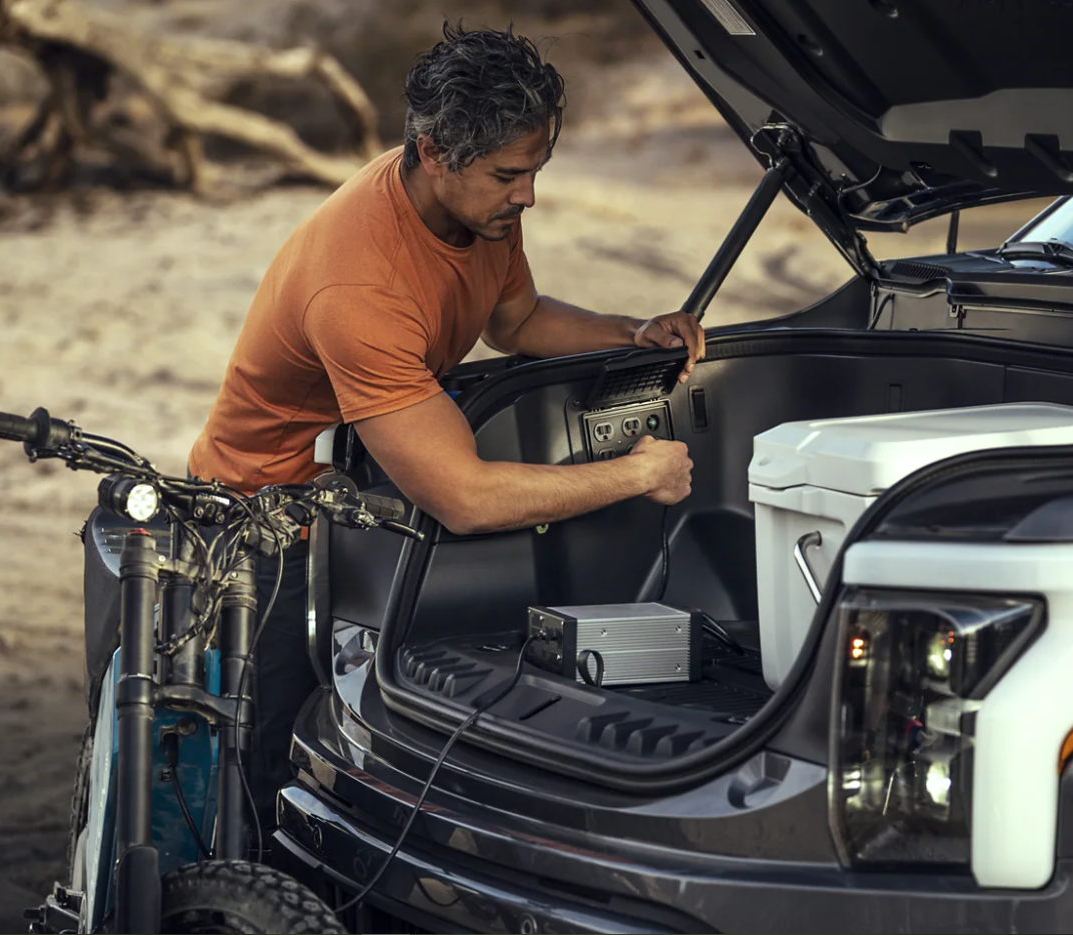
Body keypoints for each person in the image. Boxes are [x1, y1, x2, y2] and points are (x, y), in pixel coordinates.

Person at [187, 22, 701, 823]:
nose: (527, 195)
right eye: (509, 176)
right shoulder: (358, 287)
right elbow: (464, 496)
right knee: (267, 774)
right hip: (267, 527)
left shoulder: (479, 208)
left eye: (534, 170)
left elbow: (518, 319)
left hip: (361, 494)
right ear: (433, 153)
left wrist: (632, 333)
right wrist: (641, 474)